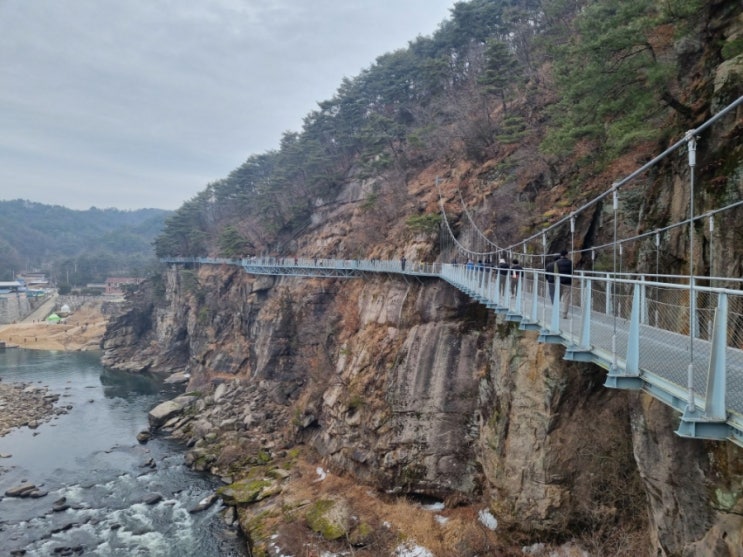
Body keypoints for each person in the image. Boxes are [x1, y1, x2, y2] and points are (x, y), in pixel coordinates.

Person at [546, 249, 573, 318]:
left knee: (557, 297)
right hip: (568, 282)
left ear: (560, 255)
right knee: (566, 298)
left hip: (558, 282)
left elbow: (556, 273)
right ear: (567, 254)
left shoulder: (556, 263)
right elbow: (572, 272)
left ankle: (556, 312)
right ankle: (564, 314)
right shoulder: (570, 262)